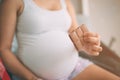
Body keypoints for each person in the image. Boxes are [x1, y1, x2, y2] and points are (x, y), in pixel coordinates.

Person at [0, 0, 120, 80]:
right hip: (34, 76)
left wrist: (86, 45)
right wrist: (31, 78)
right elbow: (4, 49)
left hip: (75, 67)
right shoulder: (14, 2)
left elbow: (76, 36)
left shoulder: (65, 2)